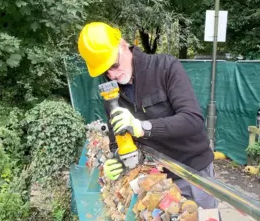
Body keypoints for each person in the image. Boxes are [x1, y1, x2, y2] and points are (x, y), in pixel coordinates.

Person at [77, 22, 218, 209]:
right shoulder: (111, 94)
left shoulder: (165, 67)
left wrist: (143, 127)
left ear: (123, 45)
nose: (113, 74)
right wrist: (115, 159)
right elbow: (115, 139)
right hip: (153, 181)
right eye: (105, 71)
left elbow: (192, 120)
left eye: (114, 64)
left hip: (192, 172)